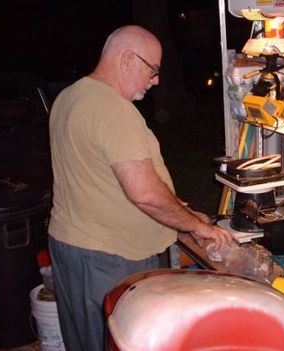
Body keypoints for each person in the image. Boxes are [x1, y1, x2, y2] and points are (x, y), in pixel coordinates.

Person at [48, 25, 233, 351]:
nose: (156, 80)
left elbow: (100, 176)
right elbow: (145, 193)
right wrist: (196, 226)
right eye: (153, 70)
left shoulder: (70, 96)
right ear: (127, 59)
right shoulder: (113, 110)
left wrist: (177, 208)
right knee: (112, 341)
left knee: (85, 340)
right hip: (109, 257)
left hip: (73, 246)